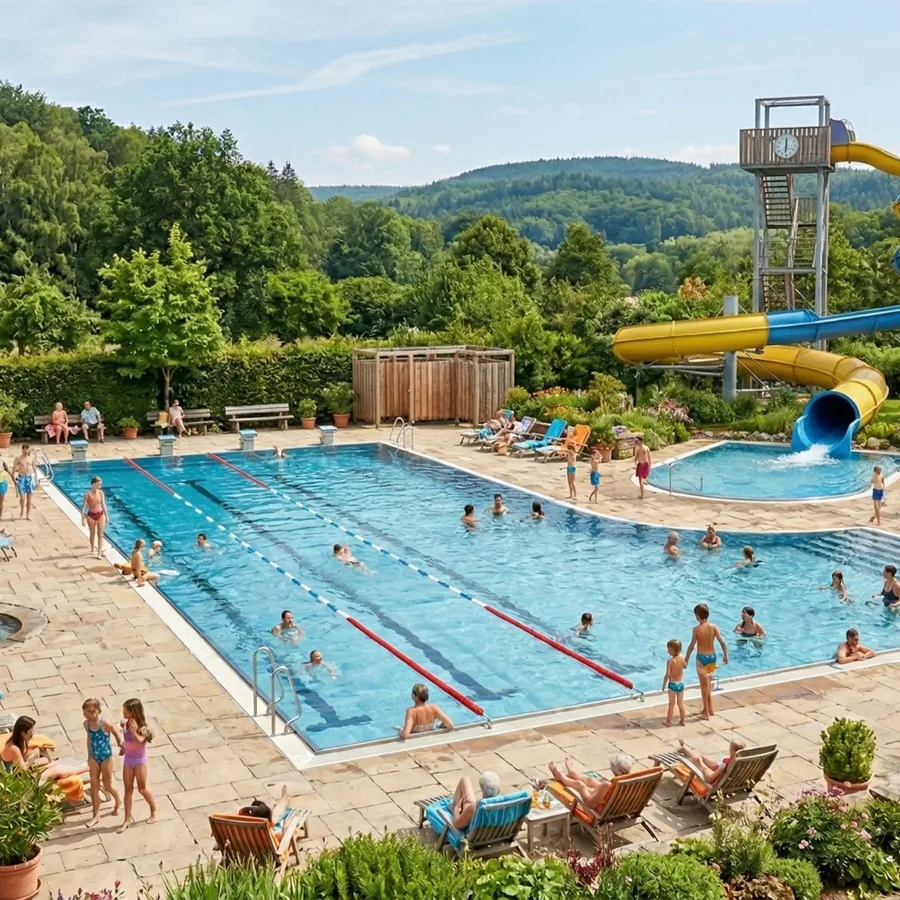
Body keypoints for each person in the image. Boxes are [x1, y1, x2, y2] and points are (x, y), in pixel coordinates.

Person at [1, 715, 89, 782]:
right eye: (30, 732)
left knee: (52, 762)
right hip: (20, 781)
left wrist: (43, 761)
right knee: (58, 771)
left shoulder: (17, 740)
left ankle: (85, 766)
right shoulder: (13, 748)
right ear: (22, 733)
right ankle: (88, 768)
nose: (32, 734)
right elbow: (23, 770)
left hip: (21, 771)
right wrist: (39, 763)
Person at [118, 698, 157, 832]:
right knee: (128, 789)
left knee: (142, 789)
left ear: (133, 712)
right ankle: (127, 819)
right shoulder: (127, 722)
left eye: (125, 711)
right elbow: (126, 739)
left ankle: (153, 811)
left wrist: (140, 734)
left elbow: (138, 741)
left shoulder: (134, 724)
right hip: (129, 759)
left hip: (139, 761)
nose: (123, 713)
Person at [82, 698, 122, 828]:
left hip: (106, 757)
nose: (86, 715)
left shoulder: (105, 723)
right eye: (85, 713)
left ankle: (118, 802)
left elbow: (117, 735)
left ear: (96, 711)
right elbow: (89, 739)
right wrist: (89, 755)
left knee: (107, 785)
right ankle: (96, 815)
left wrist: (122, 745)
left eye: (89, 712)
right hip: (94, 757)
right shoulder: (86, 724)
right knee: (94, 785)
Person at [685, 603, 728, 720]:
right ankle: (709, 709)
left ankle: (706, 714)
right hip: (712, 658)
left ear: (697, 616)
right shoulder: (714, 627)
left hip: (701, 659)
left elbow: (692, 646)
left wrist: (686, 659)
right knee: (708, 684)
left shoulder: (696, 629)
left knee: (704, 687)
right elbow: (722, 642)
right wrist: (725, 656)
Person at [548, 754, 633, 809]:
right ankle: (572, 771)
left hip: (596, 805)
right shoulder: (632, 781)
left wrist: (584, 788)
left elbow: (591, 802)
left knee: (580, 785)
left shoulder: (608, 785)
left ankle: (561, 776)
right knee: (591, 780)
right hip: (615, 804)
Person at [677, 738, 746, 785]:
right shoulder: (743, 761)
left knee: (698, 759)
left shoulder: (726, 762)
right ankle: (686, 749)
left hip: (715, 778)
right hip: (723, 771)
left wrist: (701, 764)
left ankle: (684, 749)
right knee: (702, 756)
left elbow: (711, 778)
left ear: (731, 750)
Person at [80, 476, 108, 558]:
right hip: (91, 515)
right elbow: (84, 507)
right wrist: (82, 518)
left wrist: (107, 515)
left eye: (101, 484)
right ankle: (92, 549)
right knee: (92, 534)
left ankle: (99, 553)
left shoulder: (101, 493)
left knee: (100, 534)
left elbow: (103, 504)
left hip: (100, 514)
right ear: (93, 484)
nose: (100, 485)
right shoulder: (87, 494)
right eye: (99, 484)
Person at [662, 640, 687, 727]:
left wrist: (664, 685)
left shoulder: (670, 661)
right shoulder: (682, 659)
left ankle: (669, 722)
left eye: (668, 648)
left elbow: (667, 674)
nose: (667, 650)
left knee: (671, 704)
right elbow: (685, 666)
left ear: (673, 650)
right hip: (681, 684)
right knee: (680, 703)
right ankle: (683, 721)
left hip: (672, 685)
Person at [12, 443, 37, 520]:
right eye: (24, 449)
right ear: (22, 449)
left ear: (29, 449)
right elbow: (13, 470)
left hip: (30, 478)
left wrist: (36, 479)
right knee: (22, 498)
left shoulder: (32, 457)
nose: (25, 450)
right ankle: (22, 510)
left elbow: (34, 468)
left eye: (27, 449)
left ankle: (28, 514)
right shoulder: (18, 458)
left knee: (29, 498)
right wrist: (14, 480)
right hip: (21, 478)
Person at [634, 435, 651, 499]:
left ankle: (642, 495)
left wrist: (650, 466)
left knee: (640, 480)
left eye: (636, 441)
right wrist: (635, 464)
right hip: (640, 464)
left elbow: (649, 458)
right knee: (641, 479)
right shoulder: (638, 448)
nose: (636, 442)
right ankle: (642, 492)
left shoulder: (646, 448)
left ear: (640, 441)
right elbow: (636, 457)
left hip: (644, 464)